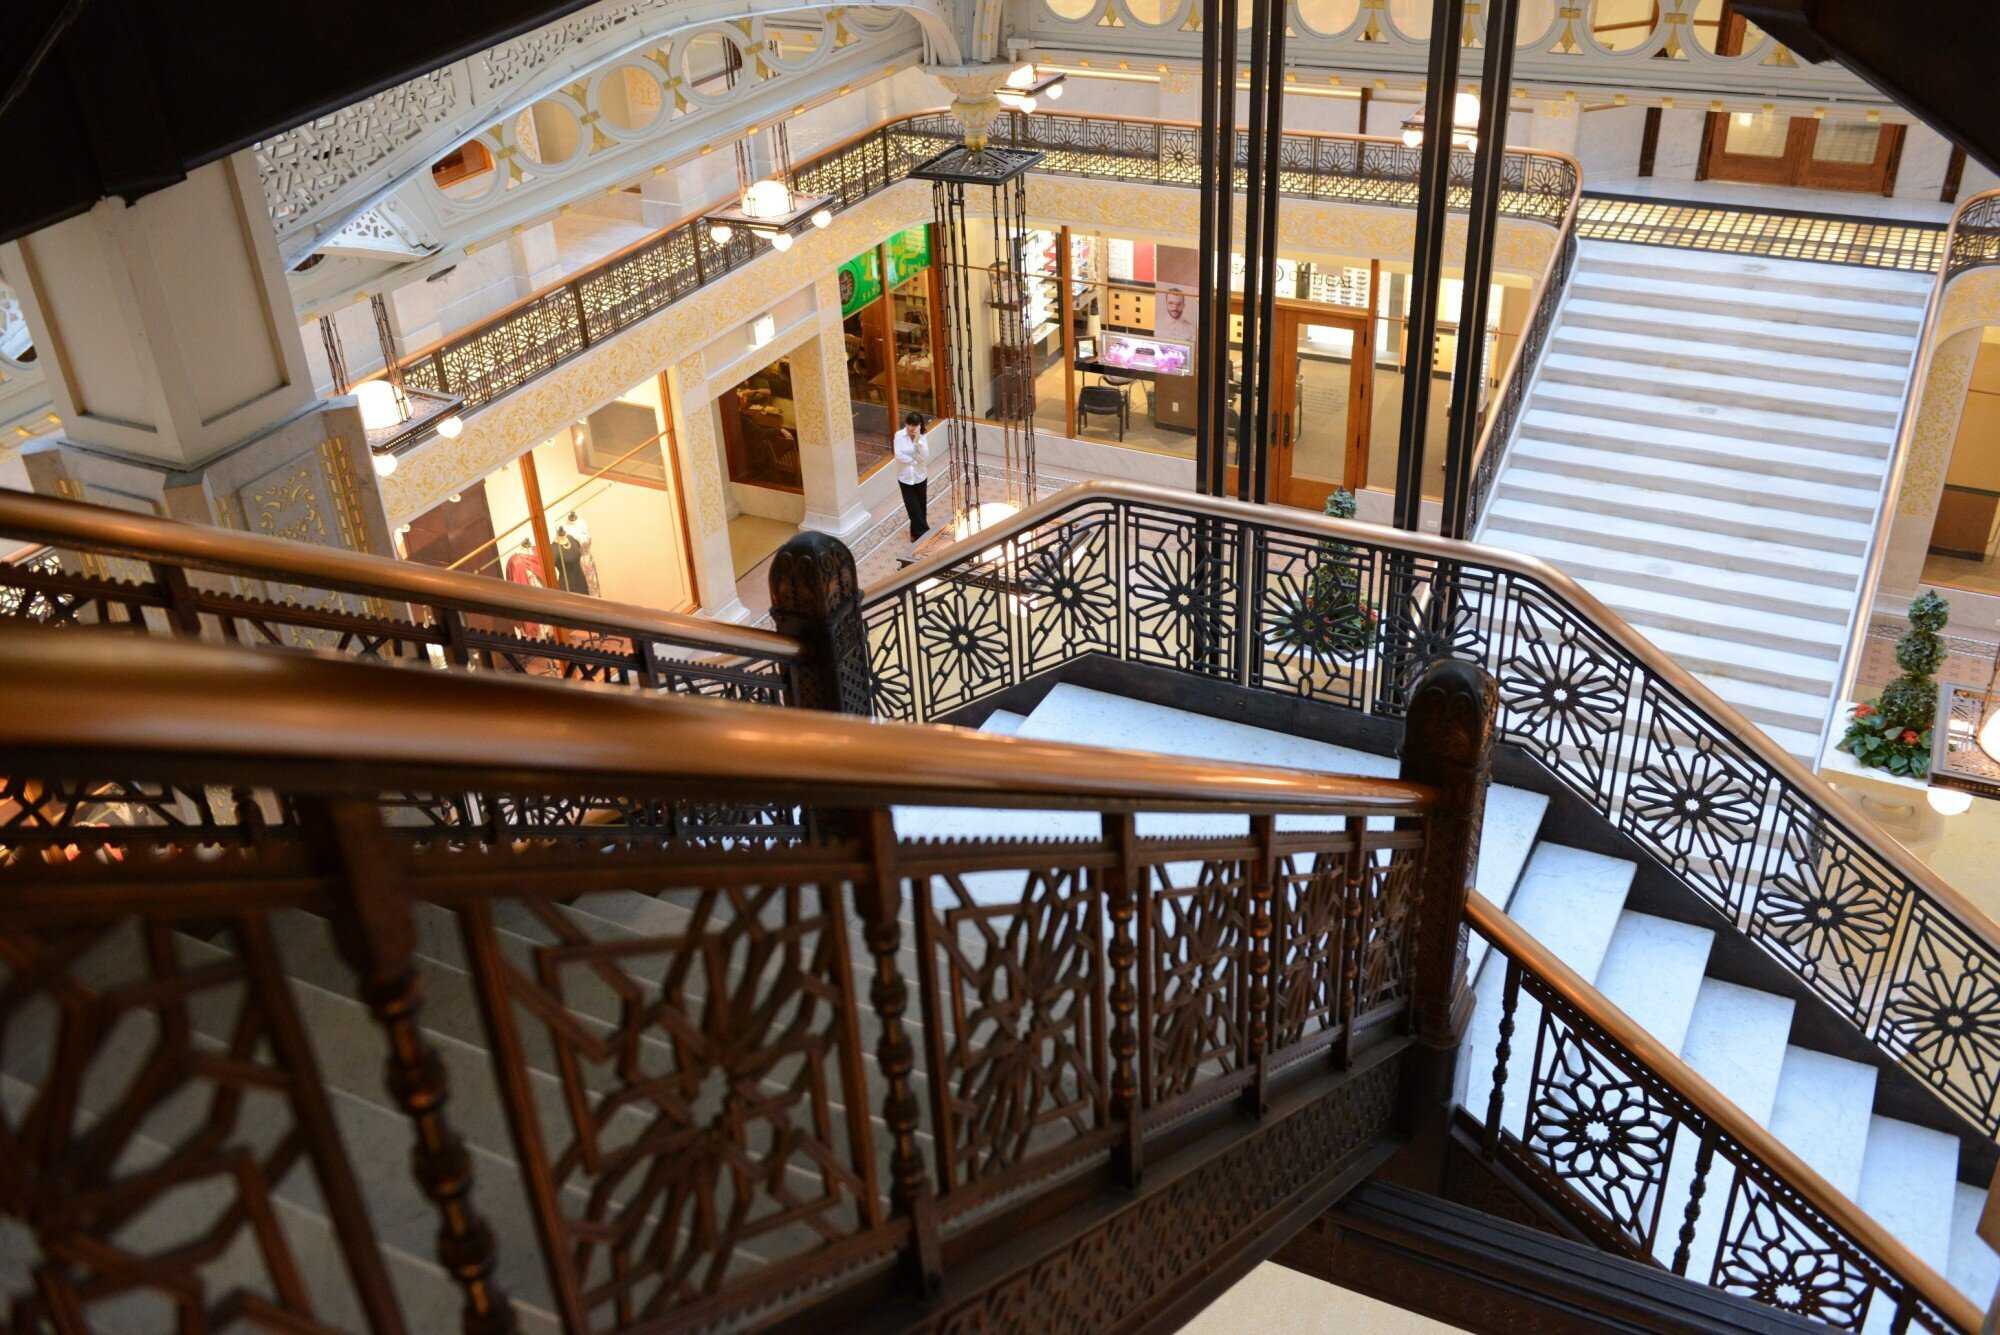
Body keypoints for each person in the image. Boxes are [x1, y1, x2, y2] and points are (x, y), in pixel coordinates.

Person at [894, 411, 929, 542]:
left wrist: (917, 441)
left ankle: (915, 534)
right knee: (912, 508)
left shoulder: (922, 437)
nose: (910, 428)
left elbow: (924, 456)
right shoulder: (898, 435)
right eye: (908, 424)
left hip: (920, 476)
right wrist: (914, 459)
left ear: (919, 426)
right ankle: (925, 534)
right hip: (905, 478)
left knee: (921, 507)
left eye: (914, 425)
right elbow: (899, 455)